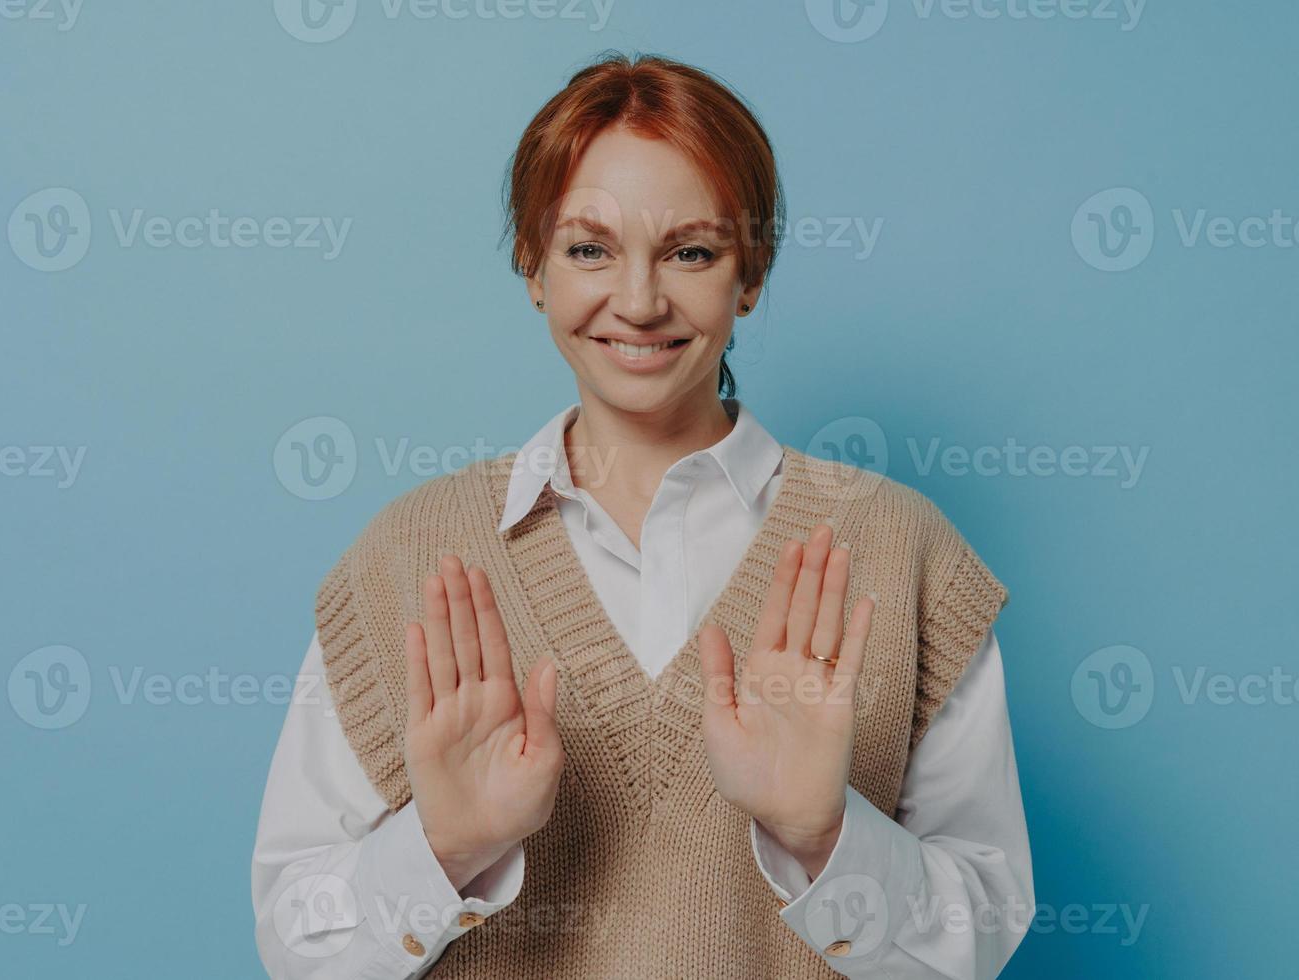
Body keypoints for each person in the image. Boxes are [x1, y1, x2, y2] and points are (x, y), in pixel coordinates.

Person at [252, 51, 1033, 979]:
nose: (638, 300)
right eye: (589, 249)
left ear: (751, 276)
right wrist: (443, 848)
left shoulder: (903, 550)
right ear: (532, 268)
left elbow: (982, 932)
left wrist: (825, 836)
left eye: (691, 252)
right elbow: (293, 943)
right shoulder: (405, 558)